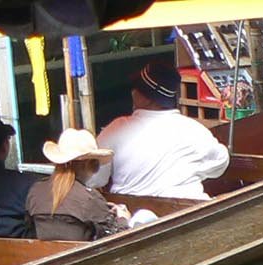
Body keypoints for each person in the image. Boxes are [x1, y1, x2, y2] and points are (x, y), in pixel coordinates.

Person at [97, 58, 229, 203]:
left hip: (133, 213)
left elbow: (94, 178)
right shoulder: (194, 130)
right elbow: (221, 161)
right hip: (189, 209)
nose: (132, 93)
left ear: (148, 99)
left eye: (136, 89)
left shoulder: (116, 130)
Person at [26, 129, 129, 242]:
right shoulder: (89, 198)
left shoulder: (36, 191)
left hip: (44, 256)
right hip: (84, 258)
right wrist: (123, 218)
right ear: (90, 165)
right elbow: (118, 238)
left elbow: (30, 229)